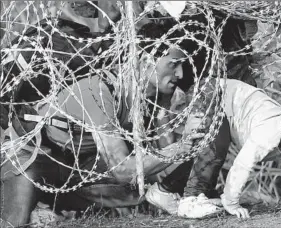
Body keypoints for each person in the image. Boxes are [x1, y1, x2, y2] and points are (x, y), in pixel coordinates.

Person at [0, 22, 227, 227]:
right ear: (145, 60)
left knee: (141, 189)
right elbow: (121, 169)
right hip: (33, 156)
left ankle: (48, 204)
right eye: (174, 64)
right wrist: (181, 147)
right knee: (13, 223)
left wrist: (190, 147)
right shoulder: (97, 91)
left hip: (73, 168)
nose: (180, 73)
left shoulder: (151, 100)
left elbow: (160, 165)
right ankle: (39, 205)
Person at [150, 78, 281, 219]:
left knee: (211, 149)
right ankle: (191, 199)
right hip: (212, 95)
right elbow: (242, 166)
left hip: (226, 104)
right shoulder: (269, 132)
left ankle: (165, 190)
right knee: (214, 146)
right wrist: (231, 202)